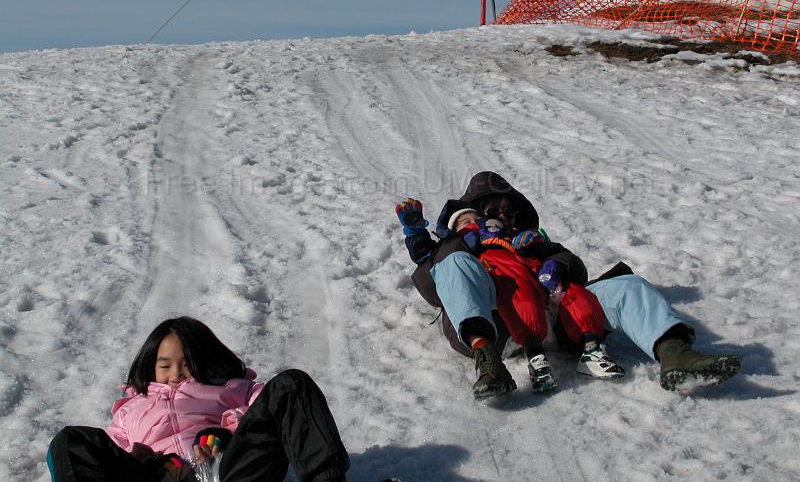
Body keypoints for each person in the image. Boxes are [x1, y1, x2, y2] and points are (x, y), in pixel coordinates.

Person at [398, 171, 740, 393]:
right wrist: (461, 243)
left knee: (628, 285)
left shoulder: (530, 238)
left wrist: (552, 259)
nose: (503, 216)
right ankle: (488, 363)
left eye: (509, 211)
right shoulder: (456, 246)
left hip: (559, 318)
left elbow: (577, 271)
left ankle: (674, 354)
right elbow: (432, 287)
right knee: (454, 265)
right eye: (492, 211)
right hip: (499, 324)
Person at [47, 316, 349, 482]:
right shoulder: (130, 410)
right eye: (165, 365)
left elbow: (266, 416)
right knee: (71, 440)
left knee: (291, 384)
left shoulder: (231, 388)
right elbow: (116, 456)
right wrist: (155, 464)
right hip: (164, 477)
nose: (176, 374)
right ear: (151, 366)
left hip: (230, 472)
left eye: (186, 364)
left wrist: (224, 433)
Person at [448, 206, 625, 391]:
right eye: (466, 222)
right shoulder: (464, 249)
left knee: (574, 293)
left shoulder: (514, 238)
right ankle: (536, 360)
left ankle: (591, 348)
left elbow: (562, 256)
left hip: (543, 293)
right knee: (519, 293)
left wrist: (543, 251)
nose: (474, 224)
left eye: (477, 220)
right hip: (511, 314)